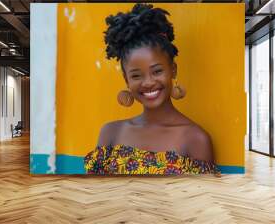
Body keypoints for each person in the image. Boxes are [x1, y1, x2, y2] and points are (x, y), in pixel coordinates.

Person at [84, 3, 219, 175]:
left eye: (157, 71)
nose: (148, 82)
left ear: (173, 70)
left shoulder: (195, 139)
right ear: (126, 80)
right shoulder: (110, 133)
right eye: (136, 75)